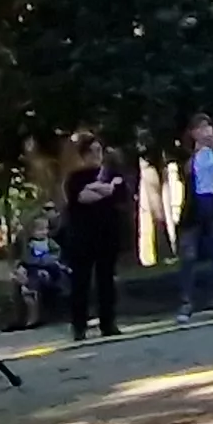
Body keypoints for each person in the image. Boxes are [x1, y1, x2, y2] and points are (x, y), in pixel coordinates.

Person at [58, 132, 128, 339]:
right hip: (83, 236)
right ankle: (79, 325)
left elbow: (117, 194)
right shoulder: (75, 178)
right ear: (84, 154)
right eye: (92, 151)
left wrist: (101, 189)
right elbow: (81, 197)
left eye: (99, 150)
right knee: (81, 281)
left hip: (107, 233)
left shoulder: (111, 173)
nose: (97, 155)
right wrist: (103, 190)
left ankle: (108, 322)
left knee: (106, 279)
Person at [172, 114, 213, 319]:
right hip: (194, 207)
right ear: (192, 132)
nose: (205, 131)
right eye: (200, 128)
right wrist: (196, 150)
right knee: (188, 256)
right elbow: (185, 173)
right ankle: (186, 301)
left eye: (208, 126)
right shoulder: (186, 153)